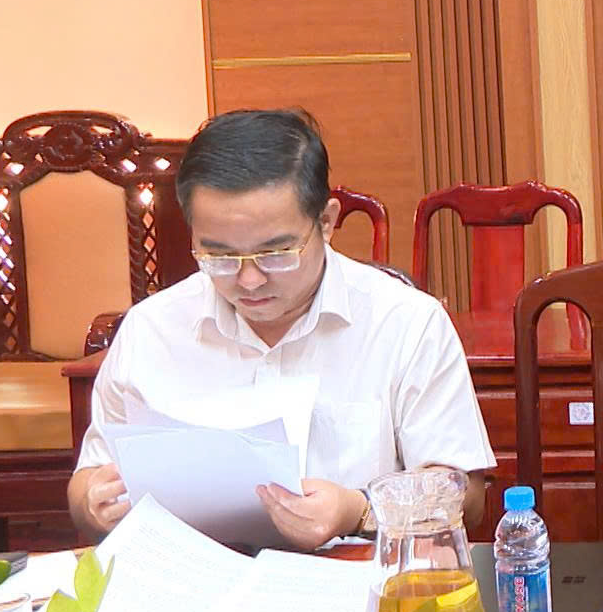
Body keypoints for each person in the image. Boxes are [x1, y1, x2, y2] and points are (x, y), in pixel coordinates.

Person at [67, 109, 496, 547]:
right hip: (189, 572)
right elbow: (87, 482)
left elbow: (466, 496)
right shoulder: (152, 329)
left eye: (275, 253)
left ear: (326, 222)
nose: (249, 280)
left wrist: (358, 510)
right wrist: (93, 503)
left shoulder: (405, 322)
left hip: (351, 573)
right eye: (220, 256)